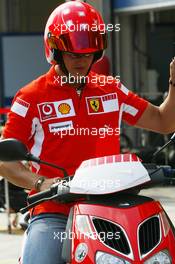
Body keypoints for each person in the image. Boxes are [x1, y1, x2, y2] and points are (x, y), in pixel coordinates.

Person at [0, 1, 175, 263]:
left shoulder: (111, 89)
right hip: (55, 213)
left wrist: (174, 83)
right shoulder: (31, 97)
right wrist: (40, 183)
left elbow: (164, 122)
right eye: (73, 54)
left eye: (88, 53)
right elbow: (5, 160)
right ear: (55, 51)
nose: (82, 60)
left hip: (114, 208)